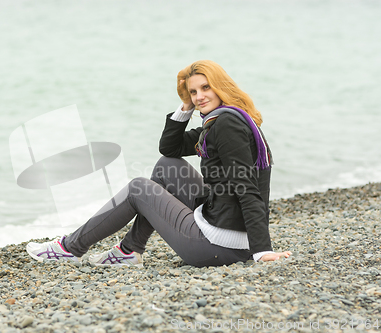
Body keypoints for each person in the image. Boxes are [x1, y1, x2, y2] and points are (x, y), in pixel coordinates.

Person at [26, 60, 291, 267]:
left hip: (218, 247)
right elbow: (170, 148)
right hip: (222, 226)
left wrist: (262, 251)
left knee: (138, 188)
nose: (199, 96)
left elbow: (247, 187)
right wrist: (185, 106)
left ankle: (70, 248)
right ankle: (130, 251)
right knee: (167, 165)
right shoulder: (222, 120)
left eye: (206, 88)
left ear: (221, 85)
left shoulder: (227, 125)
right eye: (193, 91)